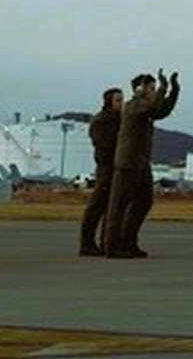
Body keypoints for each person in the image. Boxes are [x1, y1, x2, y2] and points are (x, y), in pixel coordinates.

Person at [105, 69, 179, 259]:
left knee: (144, 202)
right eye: (151, 88)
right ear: (141, 89)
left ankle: (129, 242)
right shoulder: (133, 106)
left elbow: (161, 111)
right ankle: (113, 246)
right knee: (118, 206)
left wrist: (173, 90)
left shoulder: (146, 108)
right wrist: (163, 88)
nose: (154, 92)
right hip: (127, 163)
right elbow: (153, 105)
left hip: (141, 163)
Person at [78, 86, 122, 256]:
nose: (121, 103)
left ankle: (107, 242)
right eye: (118, 100)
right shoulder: (101, 121)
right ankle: (87, 243)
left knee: (113, 207)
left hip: (117, 166)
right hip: (106, 167)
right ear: (109, 101)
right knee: (97, 206)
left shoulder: (120, 119)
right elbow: (103, 144)